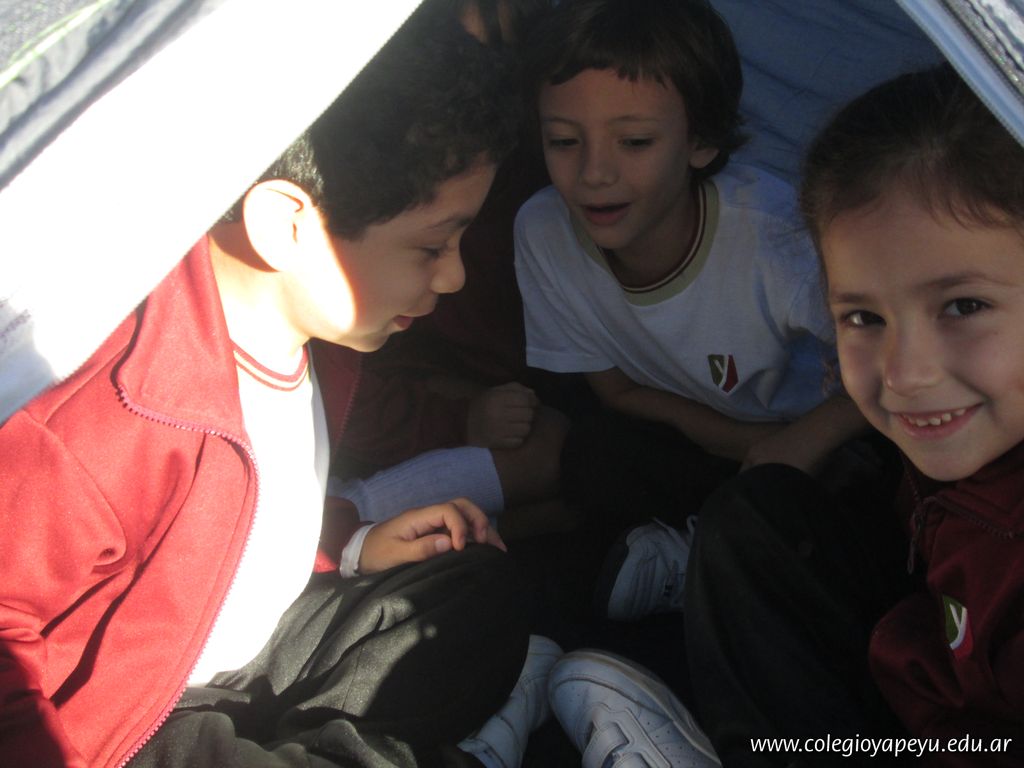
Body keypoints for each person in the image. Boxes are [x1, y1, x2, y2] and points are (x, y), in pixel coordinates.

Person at [0, 13, 560, 768]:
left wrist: (351, 548)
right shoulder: (110, 412)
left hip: (253, 651)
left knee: (477, 592)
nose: (454, 275)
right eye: (432, 246)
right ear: (288, 225)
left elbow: (244, 527)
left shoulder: (322, 342)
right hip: (136, 720)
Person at [548, 63, 1024, 767]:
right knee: (754, 517)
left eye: (964, 306)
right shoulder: (966, 446)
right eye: (864, 317)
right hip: (922, 651)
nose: (904, 373)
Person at [513, 0, 867, 624]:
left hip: (823, 433)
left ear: (701, 141)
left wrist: (803, 440)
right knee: (592, 454)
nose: (594, 173)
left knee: (852, 493)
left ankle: (714, 556)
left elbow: (896, 357)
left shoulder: (773, 236)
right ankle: (697, 550)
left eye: (635, 142)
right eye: (564, 141)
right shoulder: (542, 231)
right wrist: (745, 443)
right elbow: (616, 391)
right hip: (711, 435)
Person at [332, 0, 572, 541]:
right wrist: (458, 418)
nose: (452, 274)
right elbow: (352, 397)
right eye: (431, 247)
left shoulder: (517, 153)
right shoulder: (366, 161)